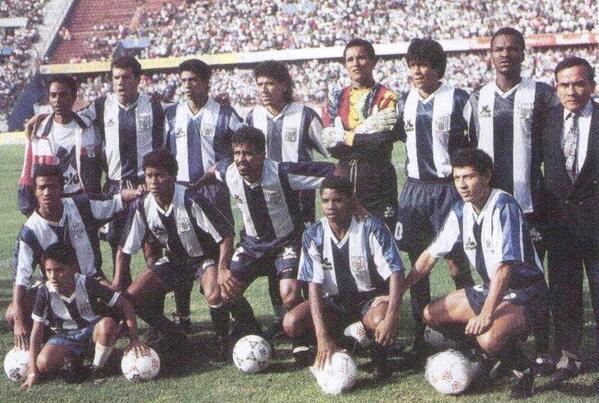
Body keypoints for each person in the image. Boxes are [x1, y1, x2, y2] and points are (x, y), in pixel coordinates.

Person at [398, 148, 548, 399]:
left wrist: (486, 314)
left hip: (527, 292)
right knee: (430, 314)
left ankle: (523, 370)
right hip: (493, 287)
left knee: (488, 337)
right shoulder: (460, 210)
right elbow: (429, 257)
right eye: (457, 178)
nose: (462, 185)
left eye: (468, 177)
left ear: (487, 176)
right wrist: (396, 294)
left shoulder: (504, 206)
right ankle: (486, 358)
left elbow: (505, 268)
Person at [192, 126, 335, 358]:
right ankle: (254, 332)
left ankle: (302, 340)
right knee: (224, 290)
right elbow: (213, 169)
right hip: (252, 245)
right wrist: (194, 188)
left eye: (248, 153)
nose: (241, 159)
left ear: (262, 154)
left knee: (289, 294)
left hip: (286, 241)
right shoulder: (229, 171)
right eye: (237, 153)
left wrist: (351, 201)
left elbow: (332, 171)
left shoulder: (282, 173)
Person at [463, 27, 559, 368]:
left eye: (513, 48)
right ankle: (506, 348)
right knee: (496, 273)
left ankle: (544, 347)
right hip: (491, 208)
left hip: (531, 204)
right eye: (499, 48)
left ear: (523, 53)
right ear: (490, 55)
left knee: (535, 277)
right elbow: (471, 153)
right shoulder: (477, 99)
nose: (506, 54)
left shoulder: (542, 94)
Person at [116, 149, 236, 362]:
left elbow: (225, 235)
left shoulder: (190, 199)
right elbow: (124, 249)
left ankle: (222, 339)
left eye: (159, 175)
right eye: (149, 175)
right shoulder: (142, 205)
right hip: (175, 260)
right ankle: (173, 333)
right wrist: (117, 281)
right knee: (130, 297)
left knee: (214, 294)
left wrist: (223, 268)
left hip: (204, 258)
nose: (153, 181)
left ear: (172, 176)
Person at [394, 38, 474, 354]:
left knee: (456, 263)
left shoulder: (458, 99)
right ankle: (420, 335)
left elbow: (475, 142)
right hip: (415, 189)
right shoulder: (402, 101)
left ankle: (469, 331)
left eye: (424, 64)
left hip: (448, 190)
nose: (417, 71)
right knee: (418, 265)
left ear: (438, 68)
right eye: (412, 65)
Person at [7, 164, 140, 351]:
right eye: (41, 187)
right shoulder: (30, 232)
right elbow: (20, 281)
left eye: (52, 186)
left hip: (91, 282)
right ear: (35, 191)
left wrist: (137, 192)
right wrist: (19, 322)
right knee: (13, 313)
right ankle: (50, 344)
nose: (47, 192)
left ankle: (101, 340)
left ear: (61, 188)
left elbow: (116, 201)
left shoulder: (81, 206)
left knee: (121, 299)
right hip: (54, 289)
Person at [283, 176, 406, 377]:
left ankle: (378, 354)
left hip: (369, 300)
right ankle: (344, 342)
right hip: (334, 303)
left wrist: (392, 316)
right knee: (291, 322)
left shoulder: (372, 227)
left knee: (381, 319)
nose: (330, 206)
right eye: (325, 201)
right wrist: (321, 337)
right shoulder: (313, 234)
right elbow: (314, 287)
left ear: (351, 200)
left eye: (338, 200)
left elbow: (396, 272)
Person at [246, 60, 328, 339]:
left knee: (302, 260)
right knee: (274, 259)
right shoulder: (253, 117)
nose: (264, 89)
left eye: (270, 83)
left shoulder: (304, 115)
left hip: (300, 204)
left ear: (284, 85)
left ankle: (308, 318)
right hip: (266, 204)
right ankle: (282, 318)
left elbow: (329, 149)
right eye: (259, 84)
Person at [164, 58, 243, 332]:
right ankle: (183, 318)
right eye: (183, 80)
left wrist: (221, 167)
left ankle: (229, 317)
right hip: (181, 193)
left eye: (193, 80)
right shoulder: (171, 115)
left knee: (219, 251)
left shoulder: (224, 114)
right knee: (182, 251)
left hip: (214, 193)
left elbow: (246, 145)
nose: (187, 85)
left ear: (206, 82)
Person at [77, 56, 166, 287]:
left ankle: (153, 304)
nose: (120, 82)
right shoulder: (100, 106)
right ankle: (124, 305)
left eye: (126, 77)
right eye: (116, 77)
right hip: (115, 188)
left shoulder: (155, 106)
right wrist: (43, 117)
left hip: (145, 186)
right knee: (118, 251)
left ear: (138, 79)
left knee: (152, 250)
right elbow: (69, 119)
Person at [541, 57, 599, 384]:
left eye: (578, 83)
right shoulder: (546, 120)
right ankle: (569, 356)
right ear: (556, 87)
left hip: (597, 223)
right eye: (564, 84)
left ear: (592, 85)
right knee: (564, 292)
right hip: (560, 224)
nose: (572, 91)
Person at [20, 243, 145, 389]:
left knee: (107, 325)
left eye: (59, 270)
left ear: (73, 268)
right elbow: (37, 330)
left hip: (91, 332)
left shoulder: (88, 284)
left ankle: (97, 368)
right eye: (48, 270)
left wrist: (134, 338)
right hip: (64, 336)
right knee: (43, 364)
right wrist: (33, 371)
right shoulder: (44, 291)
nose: (53, 276)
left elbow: (125, 305)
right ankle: (77, 360)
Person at [321, 38, 399, 231]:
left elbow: (381, 142)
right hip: (343, 179)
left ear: (373, 62)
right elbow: (332, 146)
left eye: (361, 58)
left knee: (381, 236)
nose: (355, 63)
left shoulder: (386, 96)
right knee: (345, 238)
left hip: (378, 179)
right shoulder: (336, 98)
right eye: (350, 59)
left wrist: (345, 136)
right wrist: (366, 135)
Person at [18, 74, 103, 216]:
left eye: (63, 95)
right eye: (53, 95)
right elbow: (27, 173)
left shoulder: (90, 129)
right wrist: (28, 210)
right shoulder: (37, 132)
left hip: (85, 205)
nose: (57, 100)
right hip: (53, 207)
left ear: (74, 97)